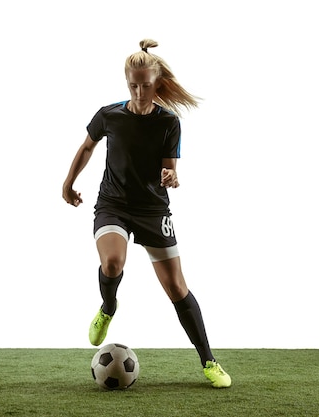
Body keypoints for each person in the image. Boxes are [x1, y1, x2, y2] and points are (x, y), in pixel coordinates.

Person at [62, 39, 231, 388]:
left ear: (157, 84)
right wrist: (68, 183)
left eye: (145, 85)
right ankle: (108, 307)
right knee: (112, 264)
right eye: (133, 85)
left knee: (176, 287)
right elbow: (87, 146)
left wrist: (172, 176)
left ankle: (209, 362)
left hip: (153, 209)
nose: (139, 92)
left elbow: (169, 170)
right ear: (127, 83)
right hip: (113, 205)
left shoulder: (169, 123)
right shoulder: (108, 115)